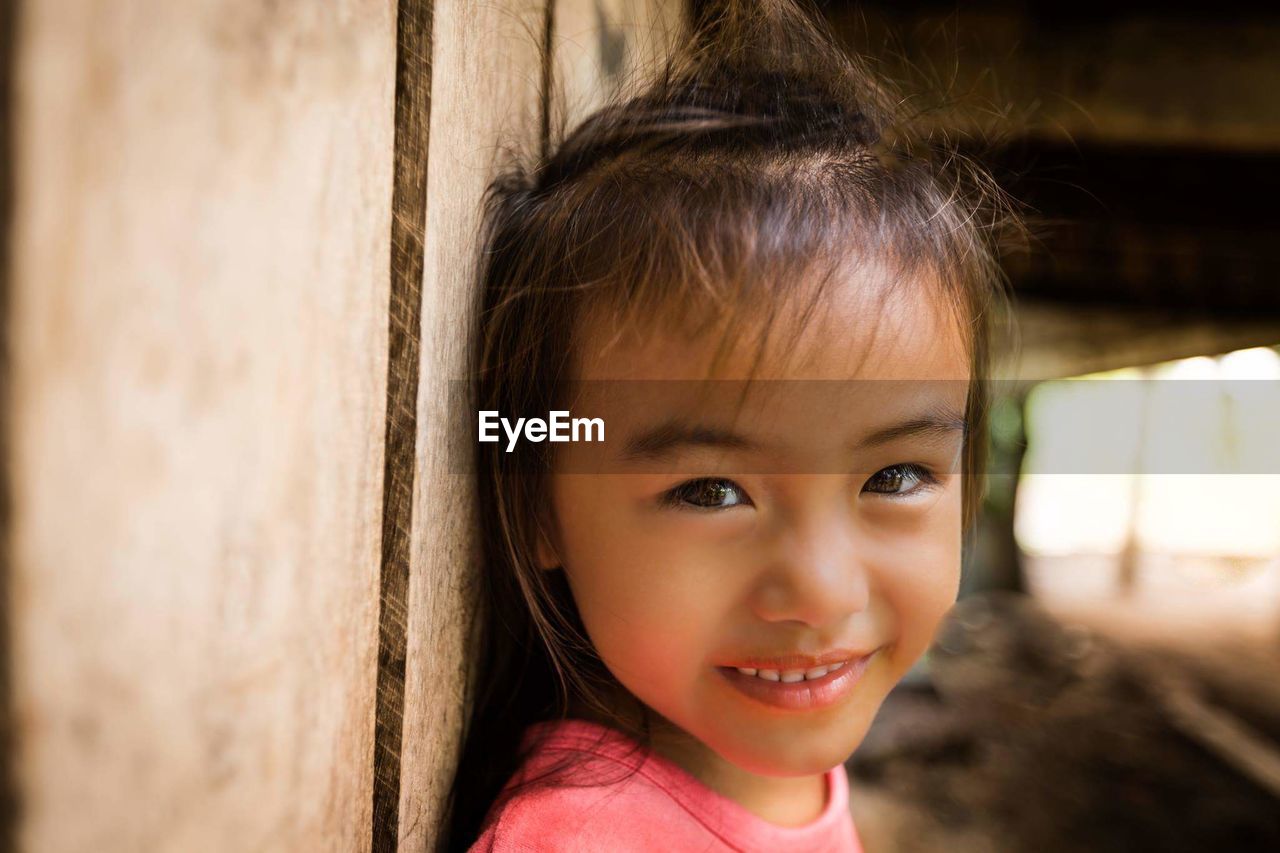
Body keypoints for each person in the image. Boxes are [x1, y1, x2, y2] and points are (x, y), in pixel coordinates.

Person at [445, 0, 1013, 849]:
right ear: (535, 503)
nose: (823, 590)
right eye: (712, 490)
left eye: (895, 477)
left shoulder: (780, 767)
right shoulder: (587, 838)